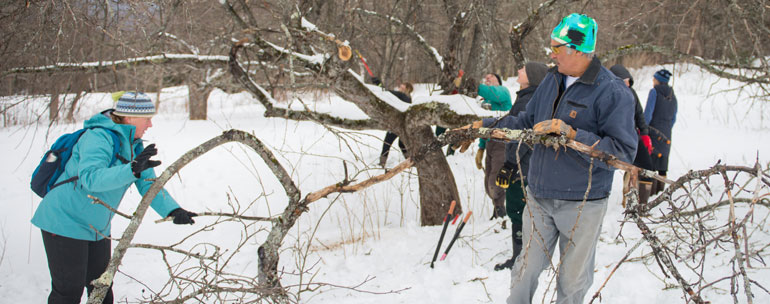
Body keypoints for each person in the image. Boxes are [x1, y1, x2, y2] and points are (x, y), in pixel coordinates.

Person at [454, 13, 636, 303]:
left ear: (577, 49)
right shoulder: (552, 80)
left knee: (573, 282)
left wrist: (574, 135)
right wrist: (484, 128)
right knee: (524, 271)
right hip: (538, 197)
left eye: (556, 48)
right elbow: (526, 121)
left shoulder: (612, 92)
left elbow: (624, 152)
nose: (551, 54)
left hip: (582, 205)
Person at [31, 91, 198, 304]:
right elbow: (90, 179)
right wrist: (131, 169)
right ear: (129, 118)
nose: (150, 125)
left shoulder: (135, 147)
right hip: (64, 221)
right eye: (147, 118)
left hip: (97, 229)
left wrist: (173, 210)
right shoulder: (98, 136)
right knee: (68, 292)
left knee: (101, 288)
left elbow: (149, 186)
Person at [493, 61, 548, 271]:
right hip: (522, 164)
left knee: (518, 209)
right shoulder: (526, 96)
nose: (518, 71)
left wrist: (510, 164)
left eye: (523, 69)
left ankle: (521, 258)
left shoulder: (529, 100)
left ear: (533, 76)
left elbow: (526, 136)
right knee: (519, 209)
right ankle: (523, 255)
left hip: (523, 166)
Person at [609, 64, 655, 205]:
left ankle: (641, 204)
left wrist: (645, 135)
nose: (627, 84)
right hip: (614, 137)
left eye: (629, 80)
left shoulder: (631, 93)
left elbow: (639, 114)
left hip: (633, 136)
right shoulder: (607, 95)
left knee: (647, 168)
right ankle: (625, 196)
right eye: (624, 81)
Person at [476, 73, 512, 219]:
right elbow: (485, 125)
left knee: (495, 178)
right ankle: (497, 209)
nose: (488, 78)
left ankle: (502, 210)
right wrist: (481, 147)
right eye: (486, 77)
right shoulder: (487, 103)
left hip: (502, 142)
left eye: (492, 77)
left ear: (499, 80)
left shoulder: (502, 92)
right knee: (488, 179)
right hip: (490, 142)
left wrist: (475, 86)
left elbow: (493, 93)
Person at [644, 69, 678, 195]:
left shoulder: (654, 92)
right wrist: (667, 128)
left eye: (654, 79)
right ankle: (660, 192)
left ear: (658, 80)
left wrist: (643, 128)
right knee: (663, 162)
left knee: (651, 162)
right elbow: (674, 116)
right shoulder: (672, 95)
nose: (653, 81)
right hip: (667, 133)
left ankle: (650, 193)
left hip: (653, 131)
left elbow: (648, 113)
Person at [375, 78, 414, 167]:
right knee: (402, 144)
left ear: (406, 88)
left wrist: (379, 85)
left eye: (403, 84)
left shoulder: (402, 95)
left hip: (396, 125)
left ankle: (382, 163)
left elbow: (387, 93)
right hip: (403, 125)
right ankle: (410, 161)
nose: (401, 85)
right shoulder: (407, 98)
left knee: (387, 143)